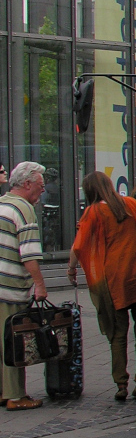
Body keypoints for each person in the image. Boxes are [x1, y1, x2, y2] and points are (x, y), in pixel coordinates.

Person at [68, 171, 136, 402]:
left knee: (118, 334)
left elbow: (78, 246)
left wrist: (71, 269)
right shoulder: (132, 204)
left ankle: (121, 383)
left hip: (114, 280)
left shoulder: (94, 212)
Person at [0, 162, 50, 410]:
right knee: (13, 341)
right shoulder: (23, 210)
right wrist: (39, 285)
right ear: (27, 184)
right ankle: (15, 395)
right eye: (40, 186)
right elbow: (28, 254)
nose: (43, 190)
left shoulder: (2, 204)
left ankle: (2, 391)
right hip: (10, 286)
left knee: (0, 341)